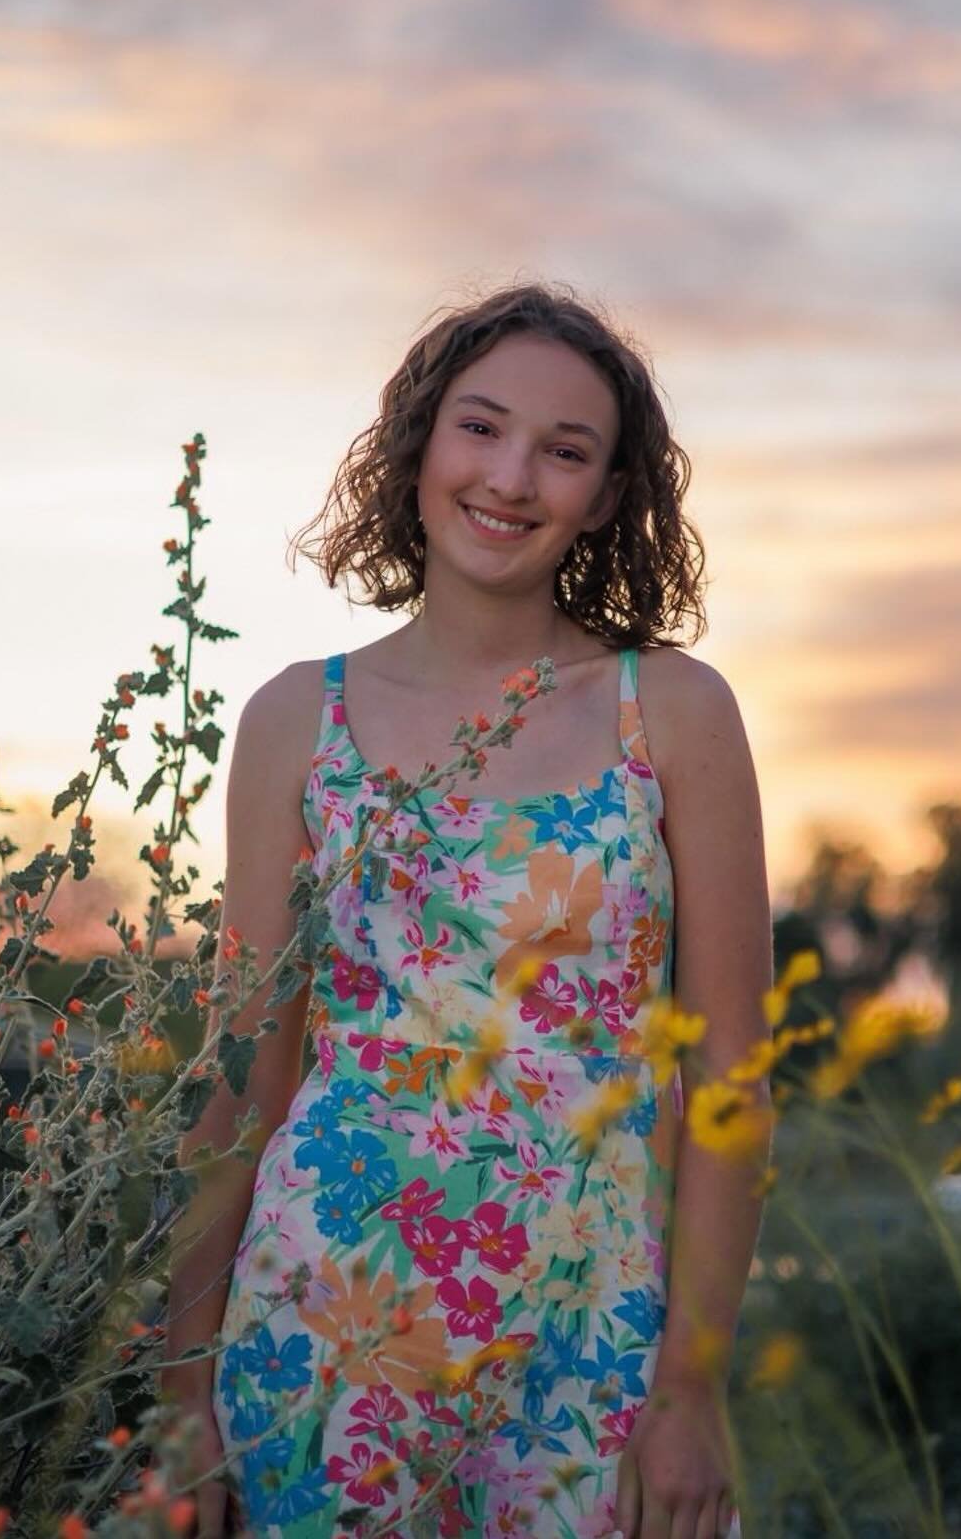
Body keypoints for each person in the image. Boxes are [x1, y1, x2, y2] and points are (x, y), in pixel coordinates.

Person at [164, 283, 775, 1538]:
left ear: (606, 497)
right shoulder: (295, 718)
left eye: (565, 451)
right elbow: (248, 1069)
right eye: (481, 429)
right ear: (421, 442)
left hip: (588, 1334)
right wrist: (179, 1386)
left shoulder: (671, 710)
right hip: (320, 1324)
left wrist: (693, 1390)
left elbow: (731, 1079)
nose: (511, 477)